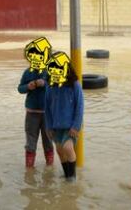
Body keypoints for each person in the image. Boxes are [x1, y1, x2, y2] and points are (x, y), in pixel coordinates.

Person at [45, 51, 84, 182]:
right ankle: (66, 174)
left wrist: (76, 126)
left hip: (71, 127)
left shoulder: (75, 85)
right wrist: (49, 127)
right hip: (56, 127)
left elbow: (80, 107)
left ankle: (72, 177)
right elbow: (47, 108)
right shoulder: (50, 87)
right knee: (60, 151)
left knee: (68, 148)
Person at [18, 37, 54, 168]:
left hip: (47, 113)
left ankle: (49, 167)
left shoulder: (50, 70)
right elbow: (20, 88)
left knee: (48, 141)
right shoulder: (27, 72)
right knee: (30, 141)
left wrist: (44, 83)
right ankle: (29, 168)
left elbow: (55, 85)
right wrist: (28, 86)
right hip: (32, 113)